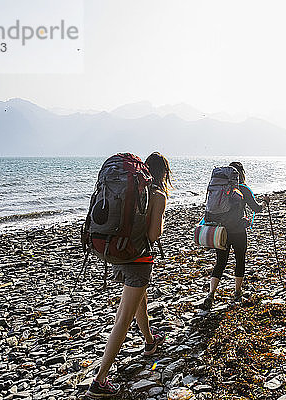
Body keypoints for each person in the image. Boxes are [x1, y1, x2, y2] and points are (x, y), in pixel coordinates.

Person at [85, 152, 171, 399]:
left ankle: (149, 342)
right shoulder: (157, 195)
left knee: (139, 301)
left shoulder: (131, 191)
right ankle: (99, 381)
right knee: (123, 319)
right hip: (138, 258)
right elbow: (154, 235)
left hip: (115, 250)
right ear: (164, 173)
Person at [202, 161, 269, 309]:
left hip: (221, 232)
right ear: (241, 174)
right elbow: (256, 209)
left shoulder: (220, 188)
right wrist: (265, 202)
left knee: (220, 263)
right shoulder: (243, 189)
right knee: (240, 260)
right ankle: (237, 292)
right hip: (238, 231)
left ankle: (211, 293)